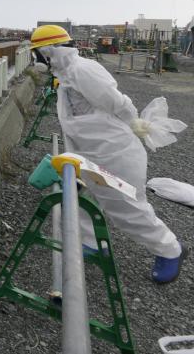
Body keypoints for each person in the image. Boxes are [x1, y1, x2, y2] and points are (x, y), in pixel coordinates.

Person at [30, 24, 187, 283]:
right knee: (80, 197)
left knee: (127, 209)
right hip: (92, 153)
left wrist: (134, 122)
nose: (35, 60)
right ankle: (90, 243)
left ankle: (171, 249)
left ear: (50, 52)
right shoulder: (67, 75)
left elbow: (118, 102)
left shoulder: (82, 71)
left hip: (115, 153)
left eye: (37, 54)